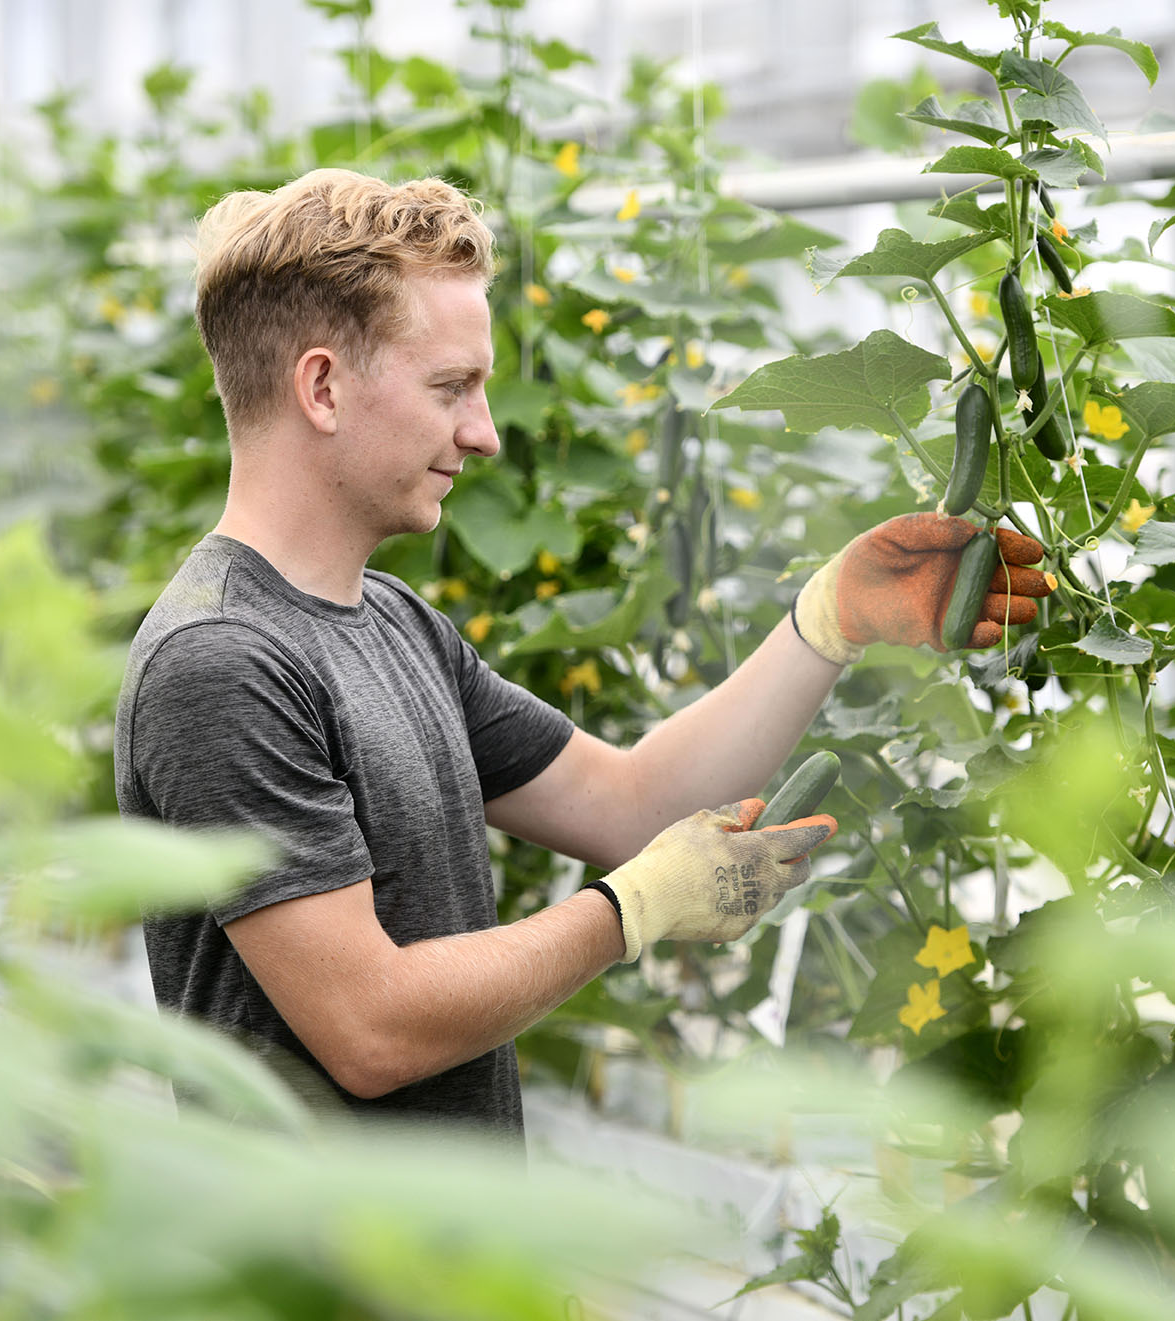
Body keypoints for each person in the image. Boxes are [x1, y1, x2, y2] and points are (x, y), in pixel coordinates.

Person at [112, 167, 1048, 1141]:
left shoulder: (392, 624)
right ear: (322, 386)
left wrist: (830, 619)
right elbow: (370, 1026)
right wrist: (634, 908)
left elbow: (632, 805)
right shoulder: (220, 663)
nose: (481, 434)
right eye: (450, 388)